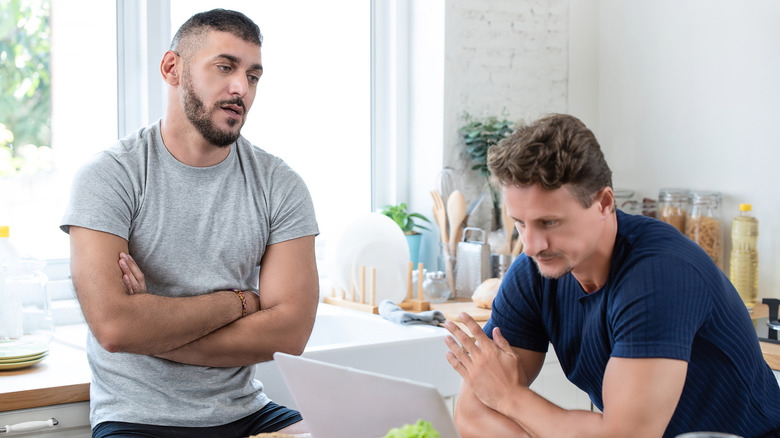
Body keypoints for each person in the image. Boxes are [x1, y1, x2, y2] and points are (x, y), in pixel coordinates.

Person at [60, 9, 319, 437]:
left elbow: (289, 335)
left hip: (246, 412)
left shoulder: (280, 184)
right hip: (136, 420)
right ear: (172, 68)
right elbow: (115, 326)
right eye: (224, 67)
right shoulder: (110, 177)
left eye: (253, 76)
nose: (241, 88)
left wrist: (152, 332)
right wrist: (239, 302)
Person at [443, 114, 780, 438]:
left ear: (604, 203)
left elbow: (625, 436)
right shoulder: (533, 274)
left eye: (549, 222)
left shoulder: (658, 276)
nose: (531, 245)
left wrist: (510, 398)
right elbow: (472, 416)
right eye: (520, 223)